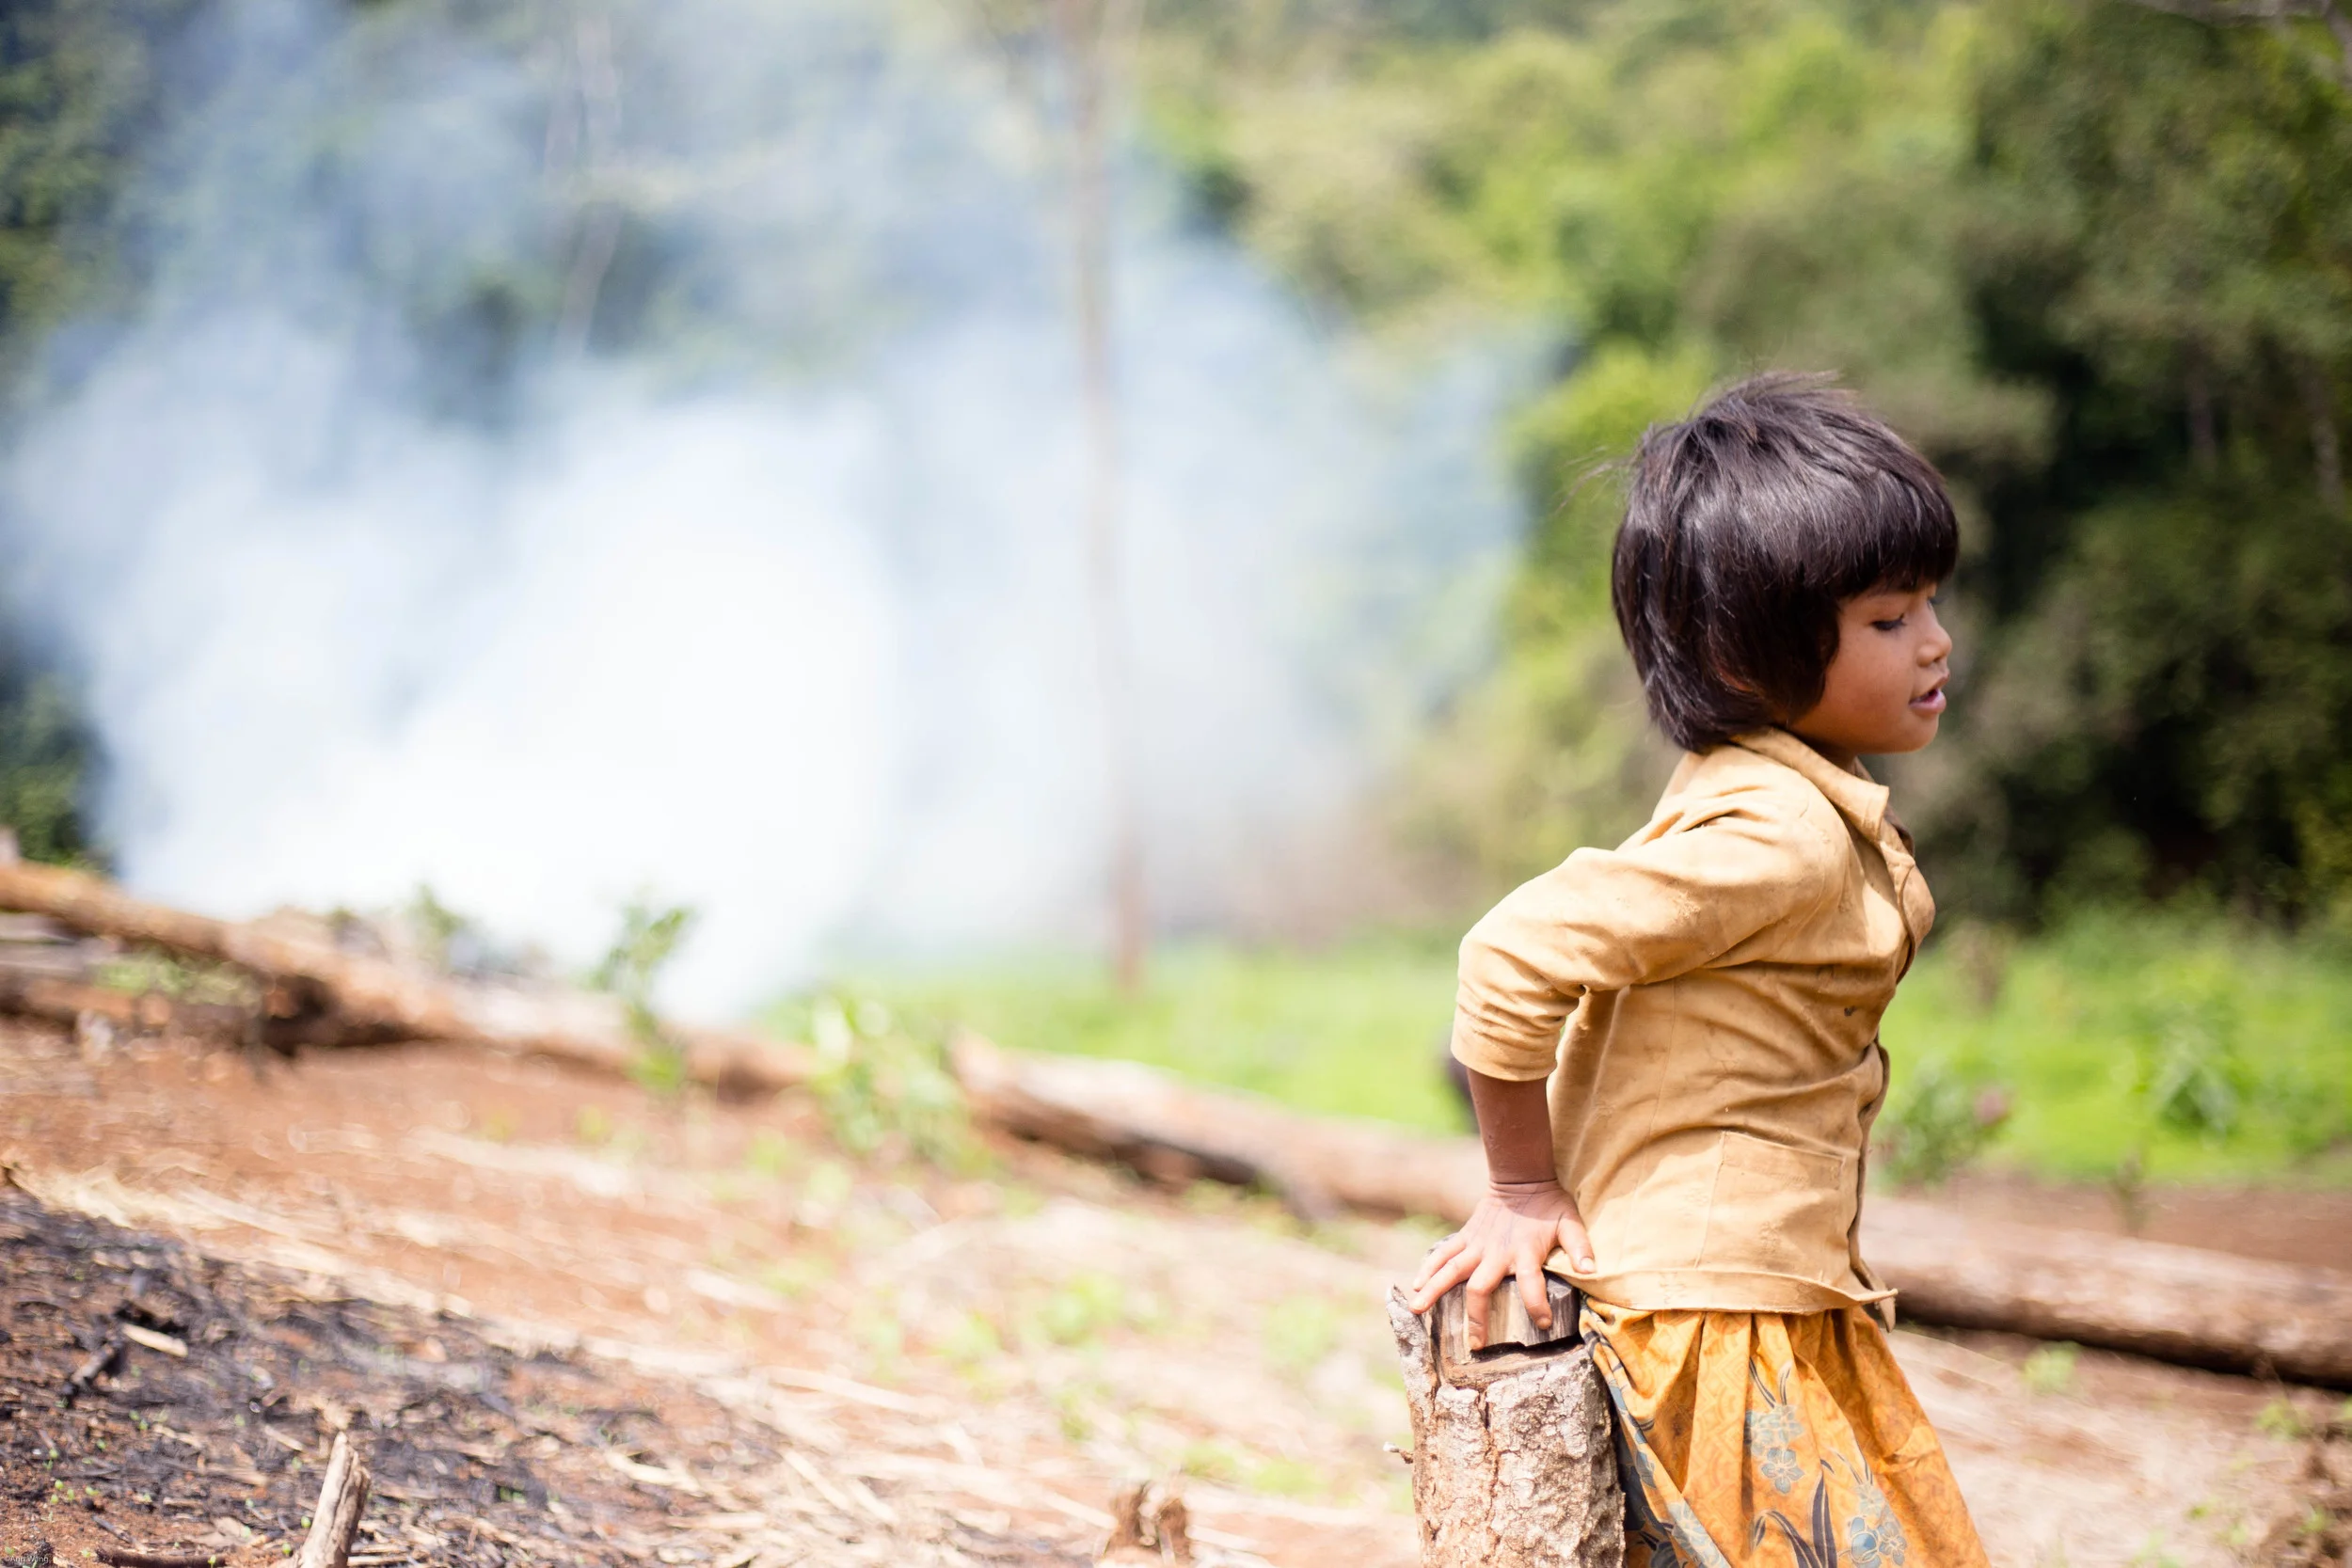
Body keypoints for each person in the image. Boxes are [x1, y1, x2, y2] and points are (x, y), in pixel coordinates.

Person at [1408, 375, 1988, 1565]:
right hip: (1714, 1314)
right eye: (1888, 619)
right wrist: (1521, 1190)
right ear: (1741, 658)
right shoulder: (1776, 831)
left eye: (1929, 603)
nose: (1934, 642)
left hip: (1765, 1293)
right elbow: (1509, 953)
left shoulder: (1761, 794)